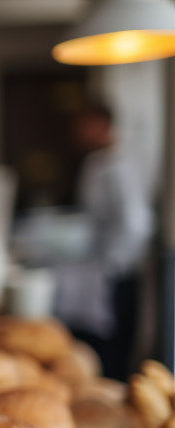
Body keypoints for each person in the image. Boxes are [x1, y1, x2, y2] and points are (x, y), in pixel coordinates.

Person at [53, 105, 153, 379]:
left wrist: (108, 264)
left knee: (114, 356)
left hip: (116, 275)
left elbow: (136, 225)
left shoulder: (121, 167)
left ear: (104, 125)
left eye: (85, 125)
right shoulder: (94, 163)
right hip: (97, 271)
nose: (79, 133)